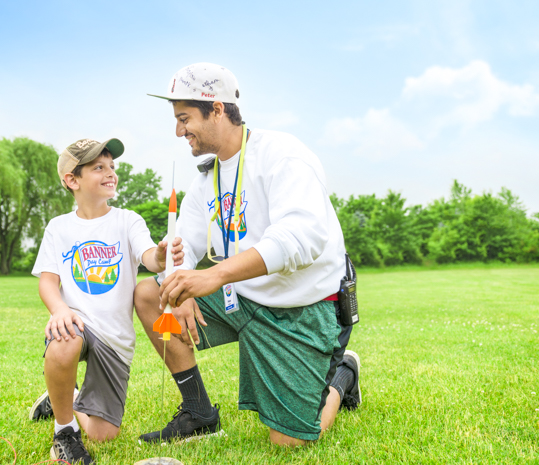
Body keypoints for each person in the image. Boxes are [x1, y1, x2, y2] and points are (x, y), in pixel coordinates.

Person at [134, 63, 362, 447]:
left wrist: (214, 275)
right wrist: (181, 275)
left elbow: (299, 238)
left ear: (218, 110)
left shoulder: (283, 155)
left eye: (185, 118)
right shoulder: (206, 176)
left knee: (291, 442)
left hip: (300, 307)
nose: (178, 131)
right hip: (240, 298)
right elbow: (185, 244)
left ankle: (344, 376)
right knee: (147, 295)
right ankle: (199, 413)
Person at [29, 137, 183, 464]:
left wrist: (161, 253)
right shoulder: (59, 228)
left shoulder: (127, 220)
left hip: (115, 339)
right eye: (98, 167)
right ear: (72, 180)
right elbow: (48, 281)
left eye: (112, 166)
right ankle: (64, 430)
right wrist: (59, 310)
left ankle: (62, 397)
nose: (110, 172)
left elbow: (151, 259)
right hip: (78, 322)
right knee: (64, 339)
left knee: (103, 433)